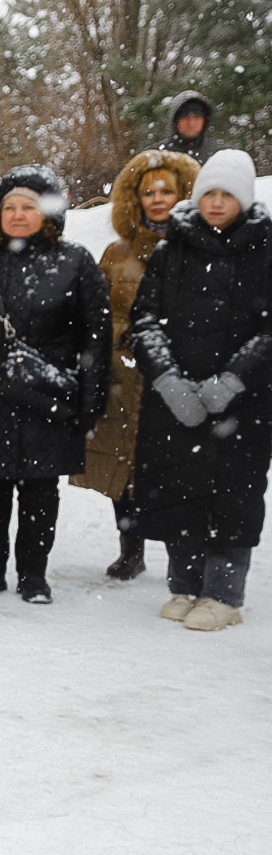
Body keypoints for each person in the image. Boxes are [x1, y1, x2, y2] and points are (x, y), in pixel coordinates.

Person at [0, 167, 111, 603]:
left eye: (28, 206)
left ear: (48, 213)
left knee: (40, 493)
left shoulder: (76, 263)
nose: (18, 214)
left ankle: (33, 574)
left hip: (47, 402)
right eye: (9, 207)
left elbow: (96, 339)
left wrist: (91, 400)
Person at [129, 149, 272, 631]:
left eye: (227, 194)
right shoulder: (171, 248)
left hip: (243, 404)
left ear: (244, 200)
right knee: (180, 488)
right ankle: (185, 585)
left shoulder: (265, 250)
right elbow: (145, 321)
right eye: (209, 192)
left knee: (234, 494)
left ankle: (223, 595)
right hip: (177, 400)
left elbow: (268, 330)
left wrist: (232, 380)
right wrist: (168, 380)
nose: (216, 202)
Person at [72, 150, 201, 579]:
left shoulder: (198, 249)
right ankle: (131, 549)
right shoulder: (116, 252)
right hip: (123, 375)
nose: (158, 199)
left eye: (167, 191)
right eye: (149, 192)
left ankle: (183, 554)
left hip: (175, 376)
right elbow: (93, 314)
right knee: (122, 464)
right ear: (135, 198)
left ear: (184, 194)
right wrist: (119, 335)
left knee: (175, 465)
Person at [157, 91, 215, 161]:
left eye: (197, 117)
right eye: (185, 117)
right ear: (175, 121)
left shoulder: (219, 155)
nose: (191, 123)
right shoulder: (156, 156)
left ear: (205, 120)